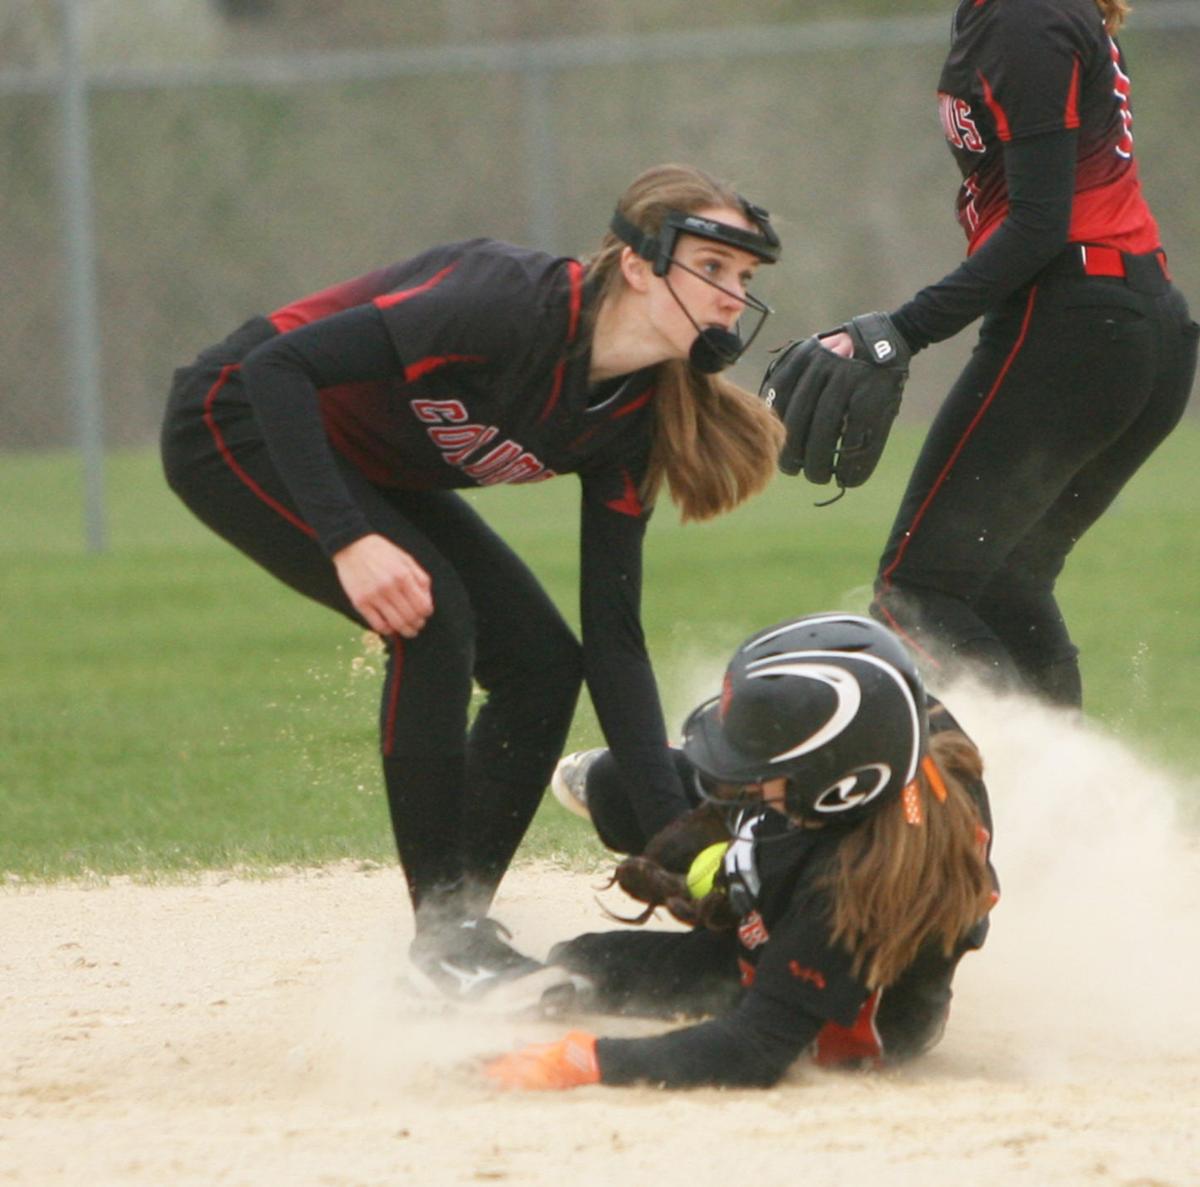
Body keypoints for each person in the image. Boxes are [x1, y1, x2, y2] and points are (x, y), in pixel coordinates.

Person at [160, 163, 786, 999]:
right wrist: (348, 540)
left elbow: (614, 640)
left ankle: (452, 935)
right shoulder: (512, 305)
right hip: (233, 418)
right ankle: (445, 940)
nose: (730, 296)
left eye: (742, 278)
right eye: (710, 268)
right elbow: (278, 370)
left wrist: (669, 832)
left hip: (370, 466)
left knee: (542, 664)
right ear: (636, 265)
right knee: (436, 615)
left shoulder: (632, 415)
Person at [764, 0, 1197, 708]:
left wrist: (902, 329)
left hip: (1077, 321)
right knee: (1005, 582)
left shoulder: (1024, 13)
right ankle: (1077, 805)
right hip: (1132, 323)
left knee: (918, 592)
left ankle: (1021, 781)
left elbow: (1037, 226)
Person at [483, 613, 998, 1090]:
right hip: (812, 851)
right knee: (618, 785)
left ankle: (743, 902)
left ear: (837, 786)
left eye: (764, 761)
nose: (744, 769)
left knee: (592, 960)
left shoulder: (849, 891)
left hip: (840, 1016)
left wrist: (586, 1059)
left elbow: (755, 1048)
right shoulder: (907, 735)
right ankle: (742, 875)